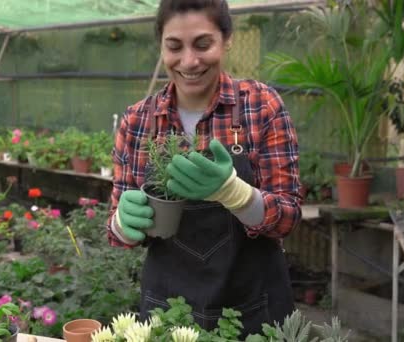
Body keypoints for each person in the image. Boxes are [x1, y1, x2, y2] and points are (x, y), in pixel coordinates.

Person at [107, 0, 302, 336]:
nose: (189, 62)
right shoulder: (138, 121)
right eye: (174, 47)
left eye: (202, 44)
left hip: (254, 308)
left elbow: (288, 218)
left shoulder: (260, 105)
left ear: (226, 40)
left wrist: (236, 193)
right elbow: (117, 234)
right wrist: (123, 223)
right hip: (168, 311)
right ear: (161, 47)